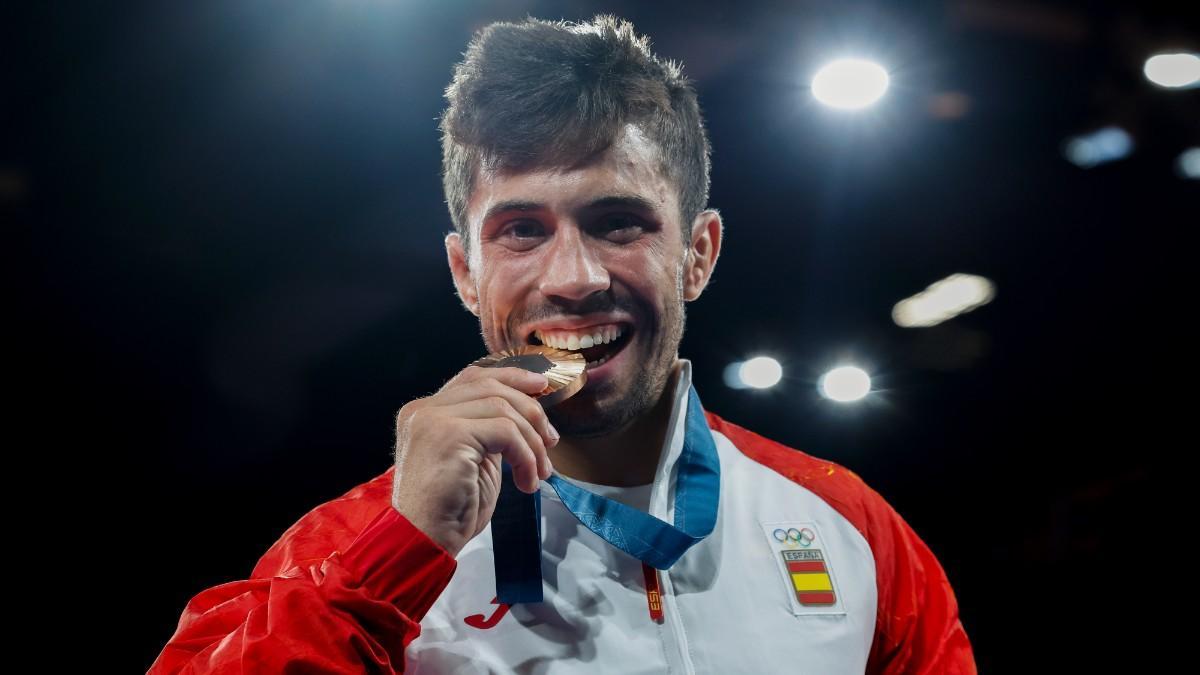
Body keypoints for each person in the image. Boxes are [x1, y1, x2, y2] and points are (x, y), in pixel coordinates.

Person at [150, 15, 976, 674]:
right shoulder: (345, 549)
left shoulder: (850, 528)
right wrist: (393, 561)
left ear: (698, 253)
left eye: (618, 222)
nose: (574, 277)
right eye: (520, 229)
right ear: (464, 272)